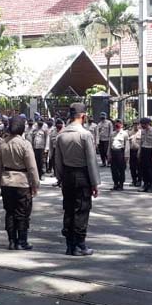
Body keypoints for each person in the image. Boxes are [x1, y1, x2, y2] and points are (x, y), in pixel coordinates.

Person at [54, 103, 100, 256]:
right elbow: (91, 161)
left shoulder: (61, 134)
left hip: (67, 176)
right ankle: (80, 244)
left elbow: (57, 161)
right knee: (81, 209)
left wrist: (59, 177)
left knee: (68, 209)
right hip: (82, 177)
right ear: (83, 116)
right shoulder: (85, 135)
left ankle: (69, 245)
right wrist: (94, 183)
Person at [0, 115, 40, 250]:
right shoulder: (25, 144)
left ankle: (12, 241)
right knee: (22, 213)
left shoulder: (1, 144)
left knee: (10, 212)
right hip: (22, 182)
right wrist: (35, 184)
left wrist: (0, 181)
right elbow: (32, 167)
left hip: (6, 181)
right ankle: (22, 241)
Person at [137, 117, 152, 192]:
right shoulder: (142, 131)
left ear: (148, 124)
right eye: (141, 124)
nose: (142, 126)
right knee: (143, 168)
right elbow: (141, 143)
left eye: (144, 124)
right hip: (144, 150)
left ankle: (151, 185)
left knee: (150, 169)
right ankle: (145, 184)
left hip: (150, 151)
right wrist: (139, 152)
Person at [109, 119, 129, 190]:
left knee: (121, 170)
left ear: (122, 125)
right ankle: (115, 184)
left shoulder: (124, 134)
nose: (117, 125)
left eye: (119, 123)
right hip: (113, 152)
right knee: (113, 170)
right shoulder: (112, 134)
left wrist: (126, 156)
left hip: (120, 153)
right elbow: (109, 145)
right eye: (116, 123)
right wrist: (109, 155)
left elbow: (127, 146)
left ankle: (121, 185)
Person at [50, 119, 64, 185]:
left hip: (63, 150)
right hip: (55, 150)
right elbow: (50, 143)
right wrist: (50, 153)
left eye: (60, 125)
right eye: (57, 125)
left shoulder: (65, 131)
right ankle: (58, 180)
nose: (58, 127)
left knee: (63, 165)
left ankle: (63, 181)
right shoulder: (53, 131)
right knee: (56, 165)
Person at [128, 121, 142, 187]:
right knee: (132, 167)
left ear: (139, 125)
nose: (136, 126)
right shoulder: (129, 132)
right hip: (131, 151)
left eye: (137, 124)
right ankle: (134, 180)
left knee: (139, 167)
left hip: (138, 151)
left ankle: (139, 181)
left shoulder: (142, 132)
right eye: (134, 124)